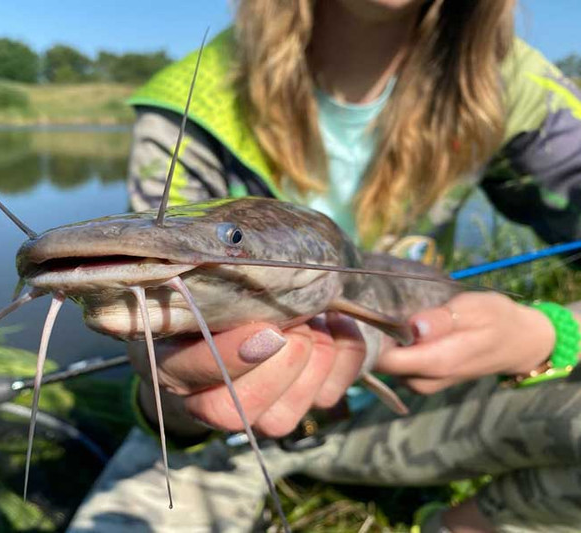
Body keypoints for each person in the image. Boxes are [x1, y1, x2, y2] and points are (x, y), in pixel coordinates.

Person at [67, 1, 581, 532]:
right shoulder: (187, 102)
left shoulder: (511, 84)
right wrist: (173, 402)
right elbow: (152, 333)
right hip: (225, 437)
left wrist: (556, 331)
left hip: (410, 406)